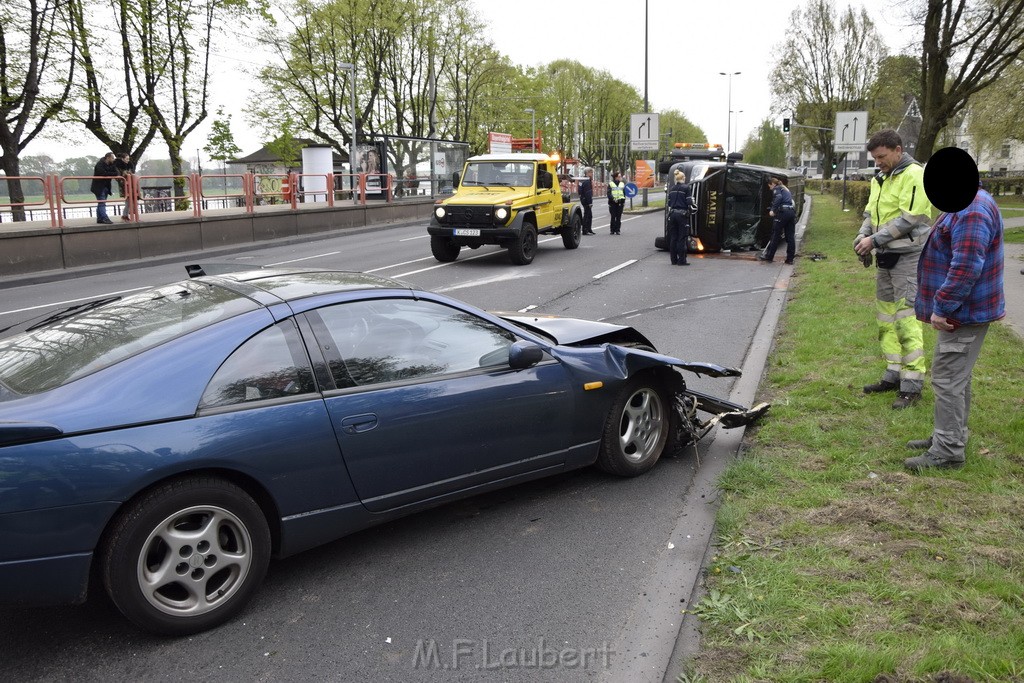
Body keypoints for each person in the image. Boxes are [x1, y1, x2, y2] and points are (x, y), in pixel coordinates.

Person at [904, 147, 1004, 472]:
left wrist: (941, 307)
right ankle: (949, 436)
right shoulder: (964, 202)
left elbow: (965, 266)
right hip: (965, 310)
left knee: (947, 378)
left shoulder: (972, 210)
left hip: (962, 313)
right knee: (957, 377)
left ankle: (948, 450)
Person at [854, 129, 935, 410]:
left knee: (905, 318)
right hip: (887, 256)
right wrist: (862, 235)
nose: (878, 162)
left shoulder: (915, 174)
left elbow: (910, 218)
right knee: (885, 318)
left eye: (882, 157)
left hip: (908, 257)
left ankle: (912, 384)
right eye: (875, 158)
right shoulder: (882, 177)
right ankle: (893, 374)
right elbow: (870, 213)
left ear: (898, 150)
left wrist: (872, 240)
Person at [757, 176, 796, 264]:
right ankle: (790, 259)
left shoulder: (777, 189)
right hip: (791, 212)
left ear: (773, 184)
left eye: (770, 186)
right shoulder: (785, 189)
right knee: (790, 237)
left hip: (783, 213)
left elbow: (778, 198)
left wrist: (772, 210)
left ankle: (769, 256)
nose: (770, 189)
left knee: (775, 235)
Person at [666, 169, 692, 265]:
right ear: (683, 178)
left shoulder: (672, 188)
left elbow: (669, 203)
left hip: (672, 214)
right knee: (682, 237)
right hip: (682, 215)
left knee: (673, 237)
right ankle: (681, 260)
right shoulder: (686, 188)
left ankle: (673, 260)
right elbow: (689, 202)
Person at [90, 152, 119, 224]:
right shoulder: (99, 164)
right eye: (112, 158)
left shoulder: (112, 164)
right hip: (99, 187)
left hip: (106, 186)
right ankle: (104, 218)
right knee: (102, 202)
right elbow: (103, 173)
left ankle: (100, 218)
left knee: (101, 202)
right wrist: (110, 173)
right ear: (108, 158)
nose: (113, 159)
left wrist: (108, 173)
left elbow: (116, 173)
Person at [115, 153, 136, 222]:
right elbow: (118, 177)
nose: (128, 160)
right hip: (124, 185)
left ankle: (126, 215)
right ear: (122, 159)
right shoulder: (118, 166)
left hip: (130, 184)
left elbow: (132, 173)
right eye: (127, 159)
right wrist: (125, 175)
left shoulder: (129, 165)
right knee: (128, 201)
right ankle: (125, 216)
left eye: (128, 159)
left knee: (131, 201)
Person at [579, 167, 595, 234]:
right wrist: (590, 202)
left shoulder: (581, 180)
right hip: (586, 200)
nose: (592, 174)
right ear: (587, 173)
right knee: (587, 215)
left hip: (583, 198)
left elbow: (579, 190)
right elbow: (588, 192)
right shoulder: (587, 181)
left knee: (589, 215)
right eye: (591, 172)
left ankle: (588, 229)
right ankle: (585, 230)